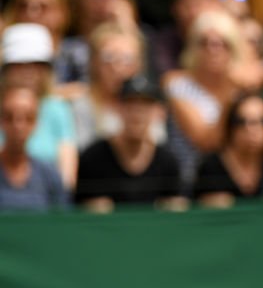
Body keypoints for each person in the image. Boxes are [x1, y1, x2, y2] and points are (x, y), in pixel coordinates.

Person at [75, 76, 184, 212]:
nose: (136, 113)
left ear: (159, 112)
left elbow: (176, 212)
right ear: (116, 108)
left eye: (145, 105)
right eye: (130, 103)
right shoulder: (92, 159)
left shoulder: (168, 162)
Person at [162, 11, 243, 190]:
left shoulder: (240, 90)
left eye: (222, 44)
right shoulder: (176, 84)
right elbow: (207, 142)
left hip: (234, 184)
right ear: (193, 47)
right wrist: (230, 93)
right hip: (188, 184)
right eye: (205, 43)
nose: (214, 50)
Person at [0, 23, 78, 187]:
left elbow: (67, 176)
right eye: (19, 64)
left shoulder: (58, 109)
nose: (28, 71)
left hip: (47, 202)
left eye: (36, 64)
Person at [69, 23, 159, 149]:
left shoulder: (150, 105)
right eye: (108, 57)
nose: (117, 67)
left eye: (127, 58)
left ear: (139, 64)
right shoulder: (79, 104)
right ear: (94, 61)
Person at [151, 0, 226, 78]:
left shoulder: (232, 38)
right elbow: (168, 79)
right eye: (188, 2)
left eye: (202, 1)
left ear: (218, 4)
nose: (194, 11)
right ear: (174, 7)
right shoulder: (164, 43)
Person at [0, 86, 69, 211]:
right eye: (9, 117)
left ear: (36, 123)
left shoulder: (49, 175)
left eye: (28, 118)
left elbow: (62, 223)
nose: (18, 126)